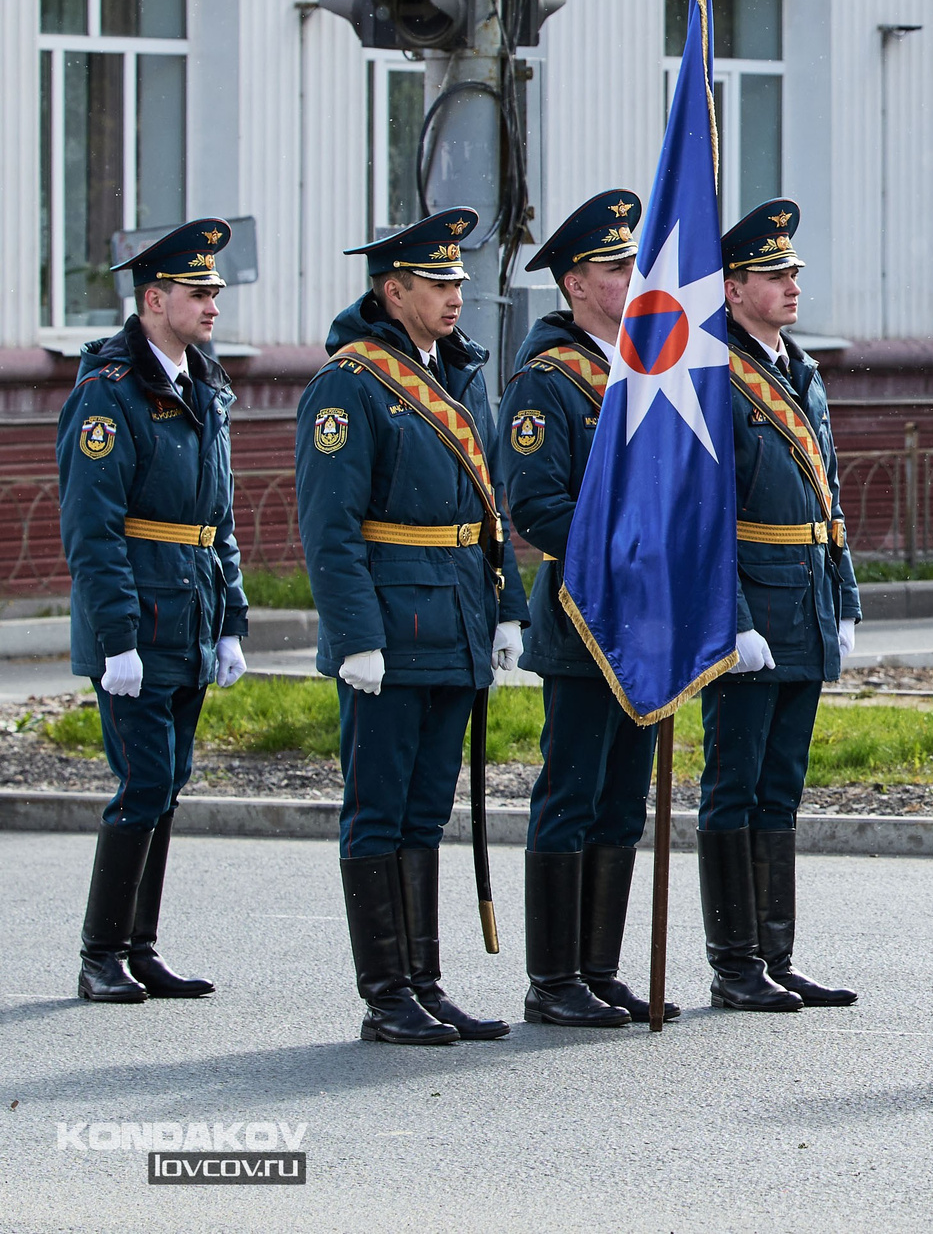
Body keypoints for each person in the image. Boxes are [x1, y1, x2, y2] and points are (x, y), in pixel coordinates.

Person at [297, 209, 530, 1046]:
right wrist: (355, 634)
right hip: (391, 629)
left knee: (427, 810)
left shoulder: (460, 374)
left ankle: (424, 984)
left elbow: (490, 504)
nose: (455, 295)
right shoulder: (350, 383)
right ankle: (386, 993)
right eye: (438, 283)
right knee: (379, 810)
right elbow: (329, 525)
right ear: (393, 292)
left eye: (459, 280)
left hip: (457, 617)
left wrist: (507, 608)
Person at [56, 221, 249, 1004]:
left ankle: (141, 947)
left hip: (190, 617)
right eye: (198, 293)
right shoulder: (108, 394)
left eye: (214, 292)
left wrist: (232, 620)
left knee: (168, 783)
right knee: (143, 782)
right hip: (137, 623)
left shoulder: (205, 385)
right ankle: (100, 953)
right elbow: (92, 530)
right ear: (153, 299)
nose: (212, 305)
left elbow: (218, 518)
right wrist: (116, 639)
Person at [697, 198, 860, 1013]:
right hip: (753, 608)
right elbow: (702, 514)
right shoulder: (710, 374)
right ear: (732, 289)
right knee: (735, 784)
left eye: (793, 271)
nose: (792, 284)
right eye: (774, 274)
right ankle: (734, 962)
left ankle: (776, 953)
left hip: (806, 599)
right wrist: (731, 617)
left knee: (781, 786)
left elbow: (828, 490)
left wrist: (845, 595)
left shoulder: (801, 367)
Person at [502, 189, 660, 1029]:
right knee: (571, 793)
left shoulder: (647, 369)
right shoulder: (548, 380)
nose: (632, 277)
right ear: (574, 283)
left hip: (648, 620)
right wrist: (625, 548)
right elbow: (536, 505)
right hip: (584, 615)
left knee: (624, 798)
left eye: (633, 263)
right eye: (615, 267)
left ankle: (599, 968)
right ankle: (553, 977)